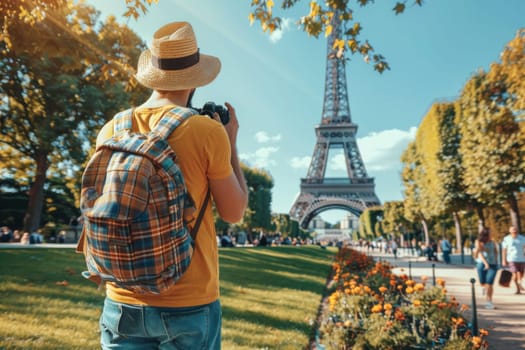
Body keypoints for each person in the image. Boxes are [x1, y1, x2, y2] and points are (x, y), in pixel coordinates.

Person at [92, 22, 248, 349]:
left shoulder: (110, 129)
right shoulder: (205, 130)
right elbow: (234, 212)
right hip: (189, 298)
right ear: (195, 79)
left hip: (121, 296)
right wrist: (231, 143)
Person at [473, 227, 499, 309]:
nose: (492, 234)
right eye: (490, 232)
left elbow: (495, 252)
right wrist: (486, 263)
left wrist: (496, 261)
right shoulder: (478, 242)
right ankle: (484, 287)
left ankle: (489, 302)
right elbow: (477, 255)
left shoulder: (493, 242)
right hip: (481, 264)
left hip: (493, 265)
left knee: (490, 283)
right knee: (482, 282)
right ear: (486, 234)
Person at [501, 225, 525, 294]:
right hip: (512, 259)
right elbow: (504, 250)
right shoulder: (507, 239)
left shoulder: (522, 238)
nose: (514, 230)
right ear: (510, 231)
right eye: (512, 229)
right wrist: (503, 260)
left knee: (521, 274)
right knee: (514, 275)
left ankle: (519, 283)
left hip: (522, 259)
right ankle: (518, 288)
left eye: (515, 229)